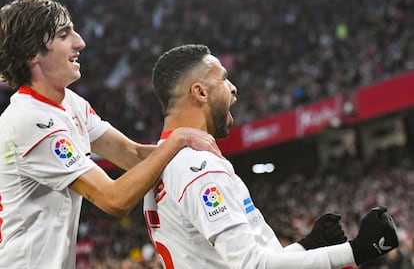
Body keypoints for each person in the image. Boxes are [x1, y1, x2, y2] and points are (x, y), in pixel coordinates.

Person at [0, 0, 222, 269]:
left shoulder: (70, 102)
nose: (80, 41)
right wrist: (178, 138)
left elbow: (131, 154)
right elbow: (114, 199)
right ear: (32, 52)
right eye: (64, 34)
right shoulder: (30, 120)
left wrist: (200, 165)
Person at [143, 44, 399, 268]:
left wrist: (307, 246)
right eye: (223, 79)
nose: (233, 88)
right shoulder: (199, 166)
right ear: (200, 93)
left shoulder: (159, 166)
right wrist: (358, 250)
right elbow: (254, 266)